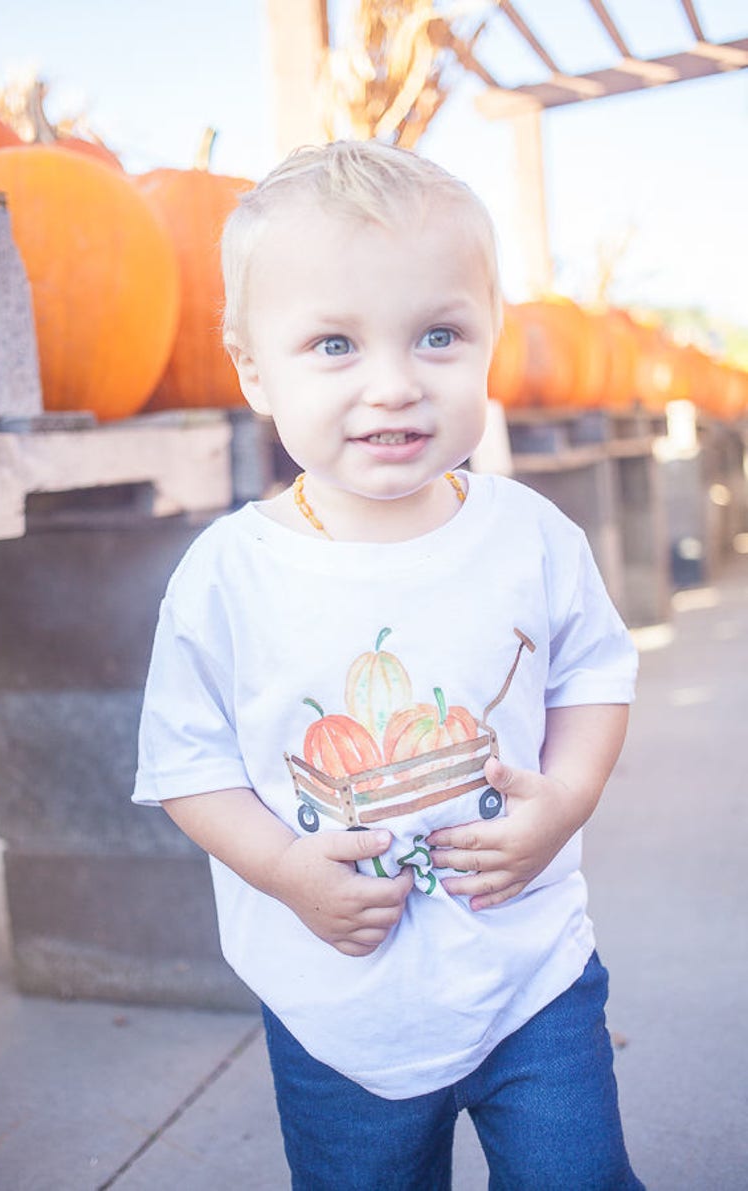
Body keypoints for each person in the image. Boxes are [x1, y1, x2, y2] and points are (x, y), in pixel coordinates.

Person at [133, 139, 643, 1190]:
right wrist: (284, 872)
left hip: (530, 974)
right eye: (334, 344)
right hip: (339, 1000)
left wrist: (565, 801)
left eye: (438, 336)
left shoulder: (529, 535)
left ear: (489, 338)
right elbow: (188, 765)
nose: (395, 385)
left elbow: (593, 675)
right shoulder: (230, 575)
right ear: (253, 371)